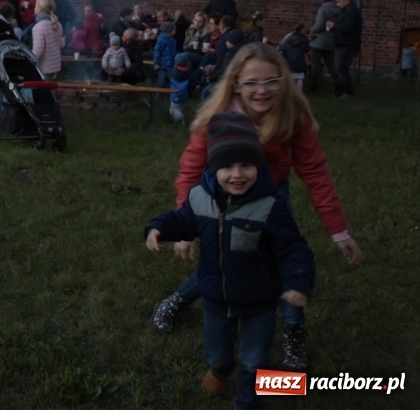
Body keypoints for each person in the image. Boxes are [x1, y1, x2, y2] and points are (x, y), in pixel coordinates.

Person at [151, 42, 363, 372]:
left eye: (271, 81)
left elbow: (315, 172)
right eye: (251, 82)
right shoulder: (217, 116)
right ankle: (181, 298)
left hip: (270, 193)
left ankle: (293, 331)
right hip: (221, 196)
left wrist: (339, 230)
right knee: (224, 259)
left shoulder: (292, 114)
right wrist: (185, 225)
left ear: (283, 81)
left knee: (282, 258)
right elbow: (191, 169)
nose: (262, 90)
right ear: (236, 83)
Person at [145, 111, 315, 409]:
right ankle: (221, 370)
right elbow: (183, 221)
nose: (237, 174)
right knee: (217, 354)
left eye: (246, 165)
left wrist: (298, 281)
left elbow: (293, 248)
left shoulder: (270, 205)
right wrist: (159, 228)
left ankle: (247, 400)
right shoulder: (199, 197)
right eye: (227, 166)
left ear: (258, 165)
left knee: (254, 359)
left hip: (259, 301)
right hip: (215, 299)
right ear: (213, 167)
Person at [326, 0, 362, 98]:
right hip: (345, 43)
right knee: (341, 68)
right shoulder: (347, 11)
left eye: (339, 1)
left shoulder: (352, 11)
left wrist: (334, 26)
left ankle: (347, 92)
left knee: (341, 68)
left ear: (346, 0)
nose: (337, 4)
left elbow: (348, 27)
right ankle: (340, 92)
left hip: (348, 44)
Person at [307, 0, 341, 92]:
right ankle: (339, 83)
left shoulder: (323, 9)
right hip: (331, 40)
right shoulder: (338, 10)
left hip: (318, 40)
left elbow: (319, 25)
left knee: (315, 64)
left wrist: (311, 30)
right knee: (331, 64)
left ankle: (314, 85)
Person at [31, 0, 64, 80]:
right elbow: (61, 44)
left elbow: (38, 51)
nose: (34, 8)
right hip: (55, 66)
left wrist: (29, 62)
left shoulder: (39, 27)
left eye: (35, 6)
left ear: (40, 9)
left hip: (43, 68)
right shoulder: (58, 24)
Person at [279, 24, 310, 90]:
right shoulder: (304, 39)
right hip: (300, 62)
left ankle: (288, 92)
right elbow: (307, 49)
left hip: (289, 62)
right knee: (299, 78)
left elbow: (283, 50)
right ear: (302, 30)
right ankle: (299, 93)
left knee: (289, 79)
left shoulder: (288, 39)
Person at [168, 53, 191, 124]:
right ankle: (179, 122)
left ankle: (181, 117)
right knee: (180, 107)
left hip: (175, 94)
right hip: (184, 94)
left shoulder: (172, 72)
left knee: (173, 109)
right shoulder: (188, 72)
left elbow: (167, 77)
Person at [152, 20, 177, 88]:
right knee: (162, 79)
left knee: (169, 78)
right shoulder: (162, 40)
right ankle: (159, 89)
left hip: (171, 63)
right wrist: (157, 63)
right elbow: (157, 51)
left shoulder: (172, 40)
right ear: (169, 30)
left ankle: (167, 88)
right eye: (174, 29)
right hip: (162, 65)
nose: (175, 31)